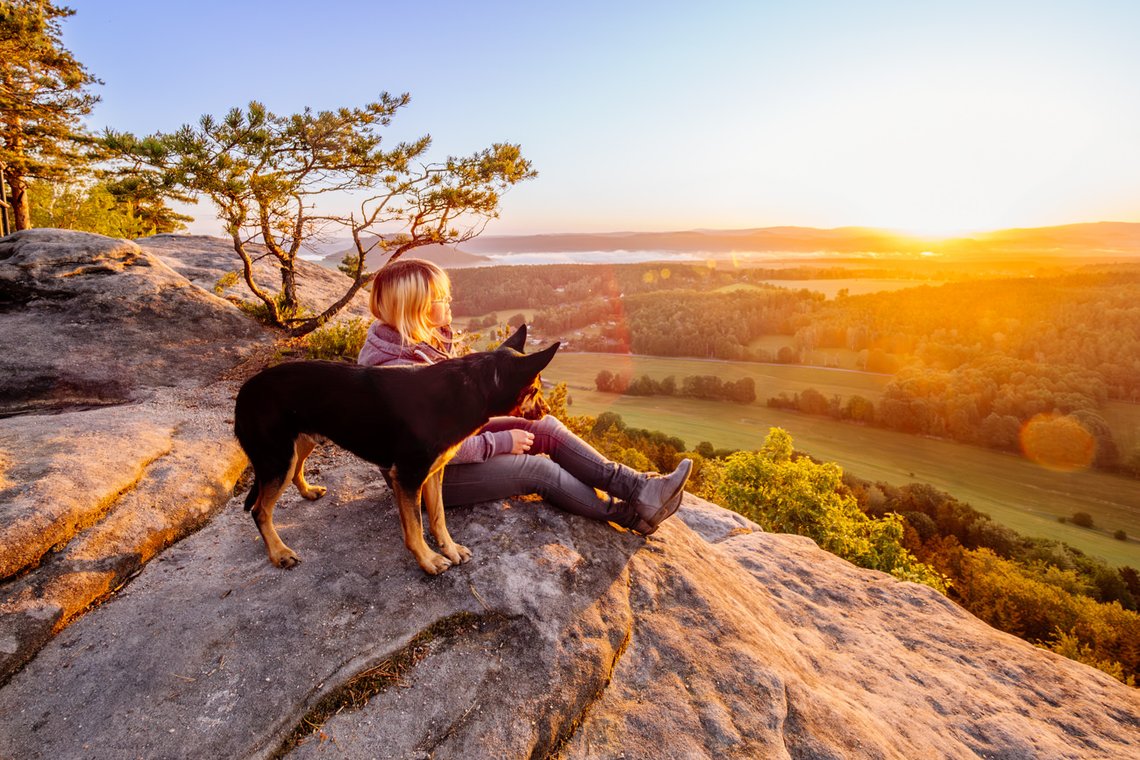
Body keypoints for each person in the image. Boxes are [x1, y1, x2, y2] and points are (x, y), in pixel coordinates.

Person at [357, 258, 691, 535]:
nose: (448, 303)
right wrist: (500, 443)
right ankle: (630, 516)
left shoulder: (426, 340)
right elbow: (434, 448)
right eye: (439, 298)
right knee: (536, 471)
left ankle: (640, 491)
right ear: (416, 308)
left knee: (543, 426)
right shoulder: (396, 369)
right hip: (431, 475)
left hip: (450, 443)